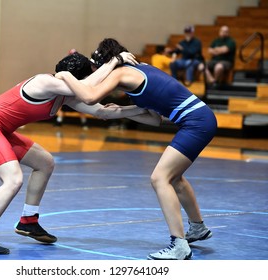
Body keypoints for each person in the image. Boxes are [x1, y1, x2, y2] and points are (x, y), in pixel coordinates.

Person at [0, 51, 154, 255]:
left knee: (45, 163)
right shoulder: (44, 82)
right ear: (76, 79)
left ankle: (28, 220)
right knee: (13, 179)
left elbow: (102, 112)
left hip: (1, 130)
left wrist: (140, 109)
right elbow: (89, 88)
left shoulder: (65, 95)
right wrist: (115, 61)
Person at [56, 38, 217, 260]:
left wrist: (65, 76)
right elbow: (154, 120)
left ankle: (179, 244)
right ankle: (198, 228)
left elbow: (90, 97)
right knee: (175, 178)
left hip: (196, 122)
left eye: (97, 68)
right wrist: (123, 110)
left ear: (105, 64)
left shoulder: (121, 73)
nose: (96, 74)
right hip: (200, 118)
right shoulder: (138, 73)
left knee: (160, 178)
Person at [55, 49, 89, 130]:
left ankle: (84, 123)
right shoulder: (66, 64)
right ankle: (59, 122)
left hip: (76, 90)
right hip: (68, 89)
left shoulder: (82, 65)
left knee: (80, 109)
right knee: (62, 107)